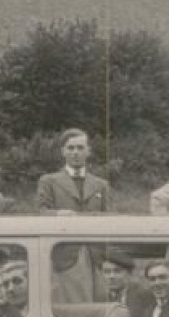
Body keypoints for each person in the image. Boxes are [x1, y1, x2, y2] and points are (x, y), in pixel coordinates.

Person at [36, 129, 112, 302]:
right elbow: (41, 213)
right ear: (63, 151)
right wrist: (58, 214)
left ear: (88, 151)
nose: (75, 152)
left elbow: (111, 216)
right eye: (70, 148)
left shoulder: (101, 184)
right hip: (65, 256)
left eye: (80, 147)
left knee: (101, 304)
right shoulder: (49, 181)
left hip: (97, 256)